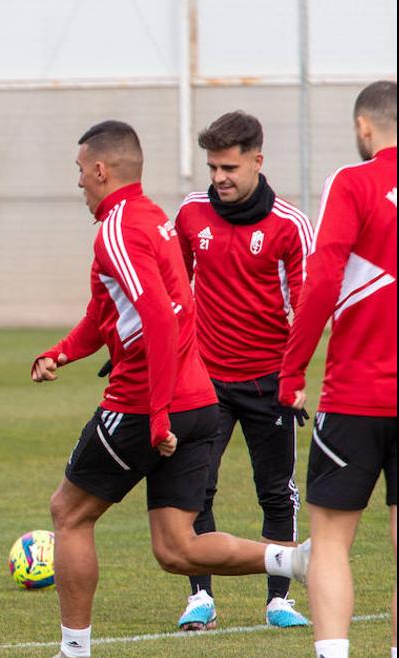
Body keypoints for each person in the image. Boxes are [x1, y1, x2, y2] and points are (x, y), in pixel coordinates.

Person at [17, 120, 310, 658]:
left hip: (146, 403)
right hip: (200, 398)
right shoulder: (151, 218)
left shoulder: (117, 228)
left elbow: (156, 316)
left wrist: (154, 415)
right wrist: (61, 353)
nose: (78, 183)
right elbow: (108, 316)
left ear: (101, 171)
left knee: (68, 514)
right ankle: (292, 561)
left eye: (80, 172)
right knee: (177, 549)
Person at [278, 80, 397, 658]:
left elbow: (323, 277)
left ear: (365, 126)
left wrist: (293, 368)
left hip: (356, 394)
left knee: (329, 542)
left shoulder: (353, 184)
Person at [172, 111, 314, 631]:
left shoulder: (288, 225)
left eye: (229, 167)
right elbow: (174, 288)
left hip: (268, 383)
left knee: (275, 489)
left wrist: (294, 378)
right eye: (212, 168)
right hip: (203, 380)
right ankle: (200, 597)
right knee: (194, 488)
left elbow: (307, 308)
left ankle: (280, 600)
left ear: (258, 160)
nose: (219, 178)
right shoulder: (189, 215)